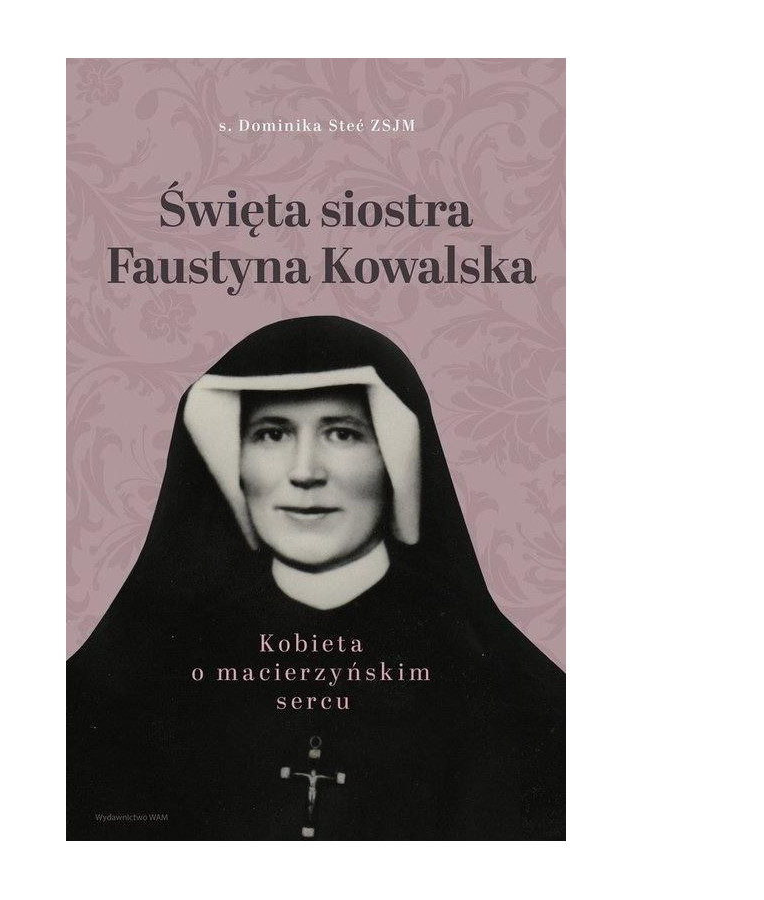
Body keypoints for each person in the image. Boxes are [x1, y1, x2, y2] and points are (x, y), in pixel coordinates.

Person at [67, 316, 565, 840]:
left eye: (342, 433)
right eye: (272, 433)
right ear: (235, 462)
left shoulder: (509, 694)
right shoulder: (133, 680)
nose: (305, 472)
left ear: (394, 457)